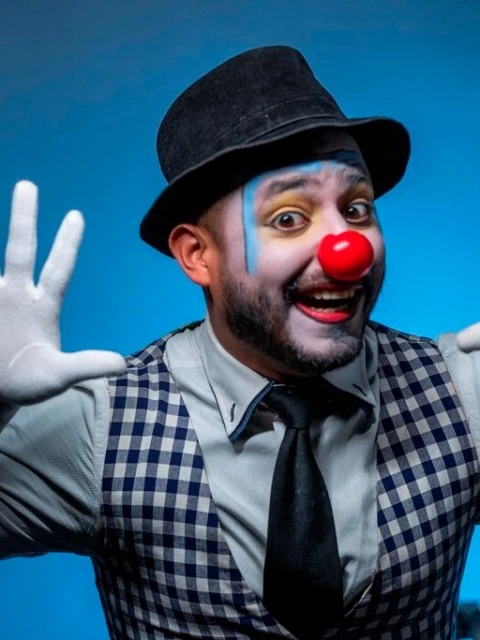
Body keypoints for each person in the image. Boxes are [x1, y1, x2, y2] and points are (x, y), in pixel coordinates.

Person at [1, 45, 480, 640]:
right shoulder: (99, 427)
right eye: (289, 218)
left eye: (357, 208)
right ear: (196, 255)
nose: (348, 249)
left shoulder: (464, 393)